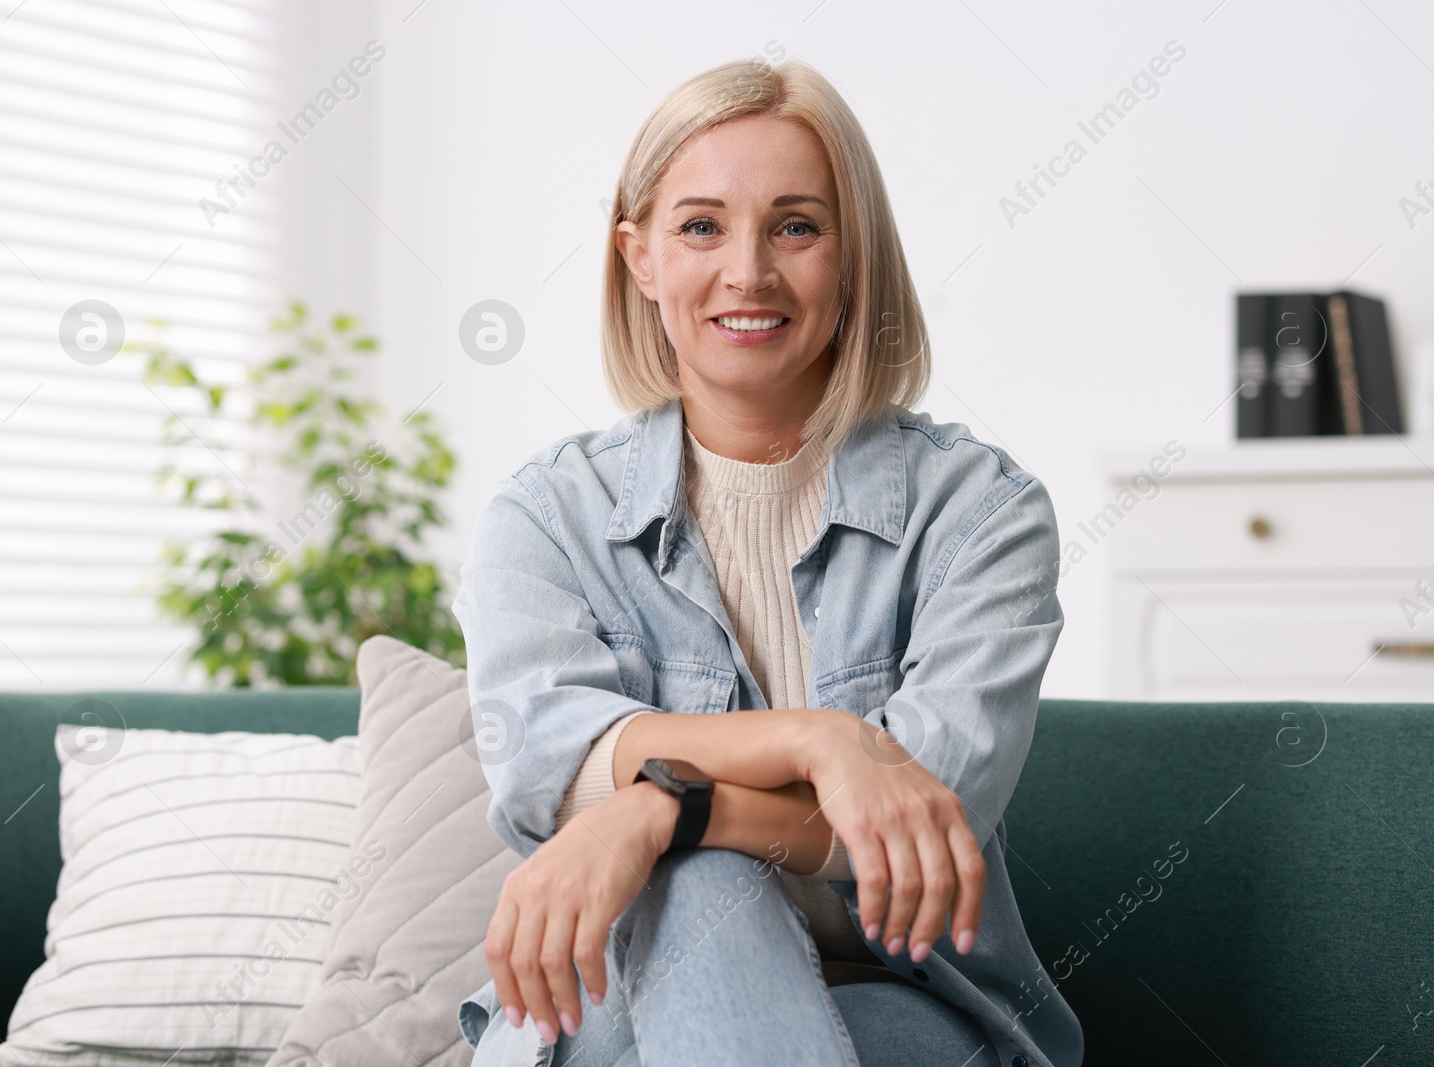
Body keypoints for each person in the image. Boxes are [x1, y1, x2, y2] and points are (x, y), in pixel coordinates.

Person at [452, 56, 1082, 1067]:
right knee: (687, 903)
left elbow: (918, 825)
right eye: (701, 225)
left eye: (796, 225)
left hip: (899, 997)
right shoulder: (546, 513)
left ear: (852, 255)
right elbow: (545, 762)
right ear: (641, 256)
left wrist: (664, 805)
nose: (747, 270)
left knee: (690, 864)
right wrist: (818, 738)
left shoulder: (979, 512)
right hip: (611, 990)